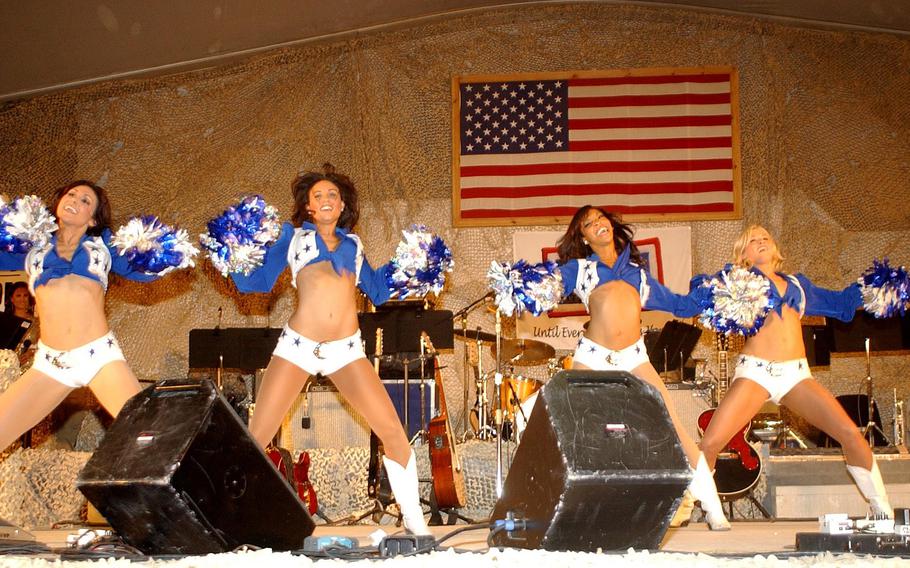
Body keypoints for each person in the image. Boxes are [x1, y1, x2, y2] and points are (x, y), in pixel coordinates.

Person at [226, 164, 429, 535]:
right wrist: (235, 257)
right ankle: (237, 523)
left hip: (347, 351)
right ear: (307, 206)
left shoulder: (354, 245)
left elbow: (379, 290)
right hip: (298, 348)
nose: (325, 200)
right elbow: (257, 283)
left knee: (392, 430)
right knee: (257, 435)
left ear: (342, 205)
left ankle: (416, 523)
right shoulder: (292, 238)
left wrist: (414, 267)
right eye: (317, 195)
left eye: (332, 195)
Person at [553, 205, 730, 530]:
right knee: (579, 428)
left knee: (674, 426)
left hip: (635, 357)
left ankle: (711, 503)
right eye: (588, 224)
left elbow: (681, 305)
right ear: (584, 237)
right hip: (592, 355)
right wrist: (520, 286)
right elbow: (547, 286)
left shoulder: (638, 274)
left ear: (610, 224)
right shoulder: (579, 270)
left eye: (600, 218)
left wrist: (712, 292)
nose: (597, 225)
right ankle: (573, 508)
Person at [697, 225, 892, 518]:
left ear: (776, 250)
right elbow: (703, 291)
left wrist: (875, 287)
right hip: (756, 373)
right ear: (744, 255)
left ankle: (882, 508)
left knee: (851, 433)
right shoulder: (739, 282)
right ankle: (703, 506)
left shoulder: (799, 286)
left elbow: (840, 304)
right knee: (712, 441)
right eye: (753, 240)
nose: (761, 242)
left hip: (796, 375)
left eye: (766, 238)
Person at [0, 180, 183, 453]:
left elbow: (143, 267)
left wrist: (165, 253)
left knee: (150, 441)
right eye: (71, 194)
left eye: (86, 200)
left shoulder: (103, 243)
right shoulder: (33, 244)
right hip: (51, 363)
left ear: (94, 217)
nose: (75, 199)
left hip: (98, 355)